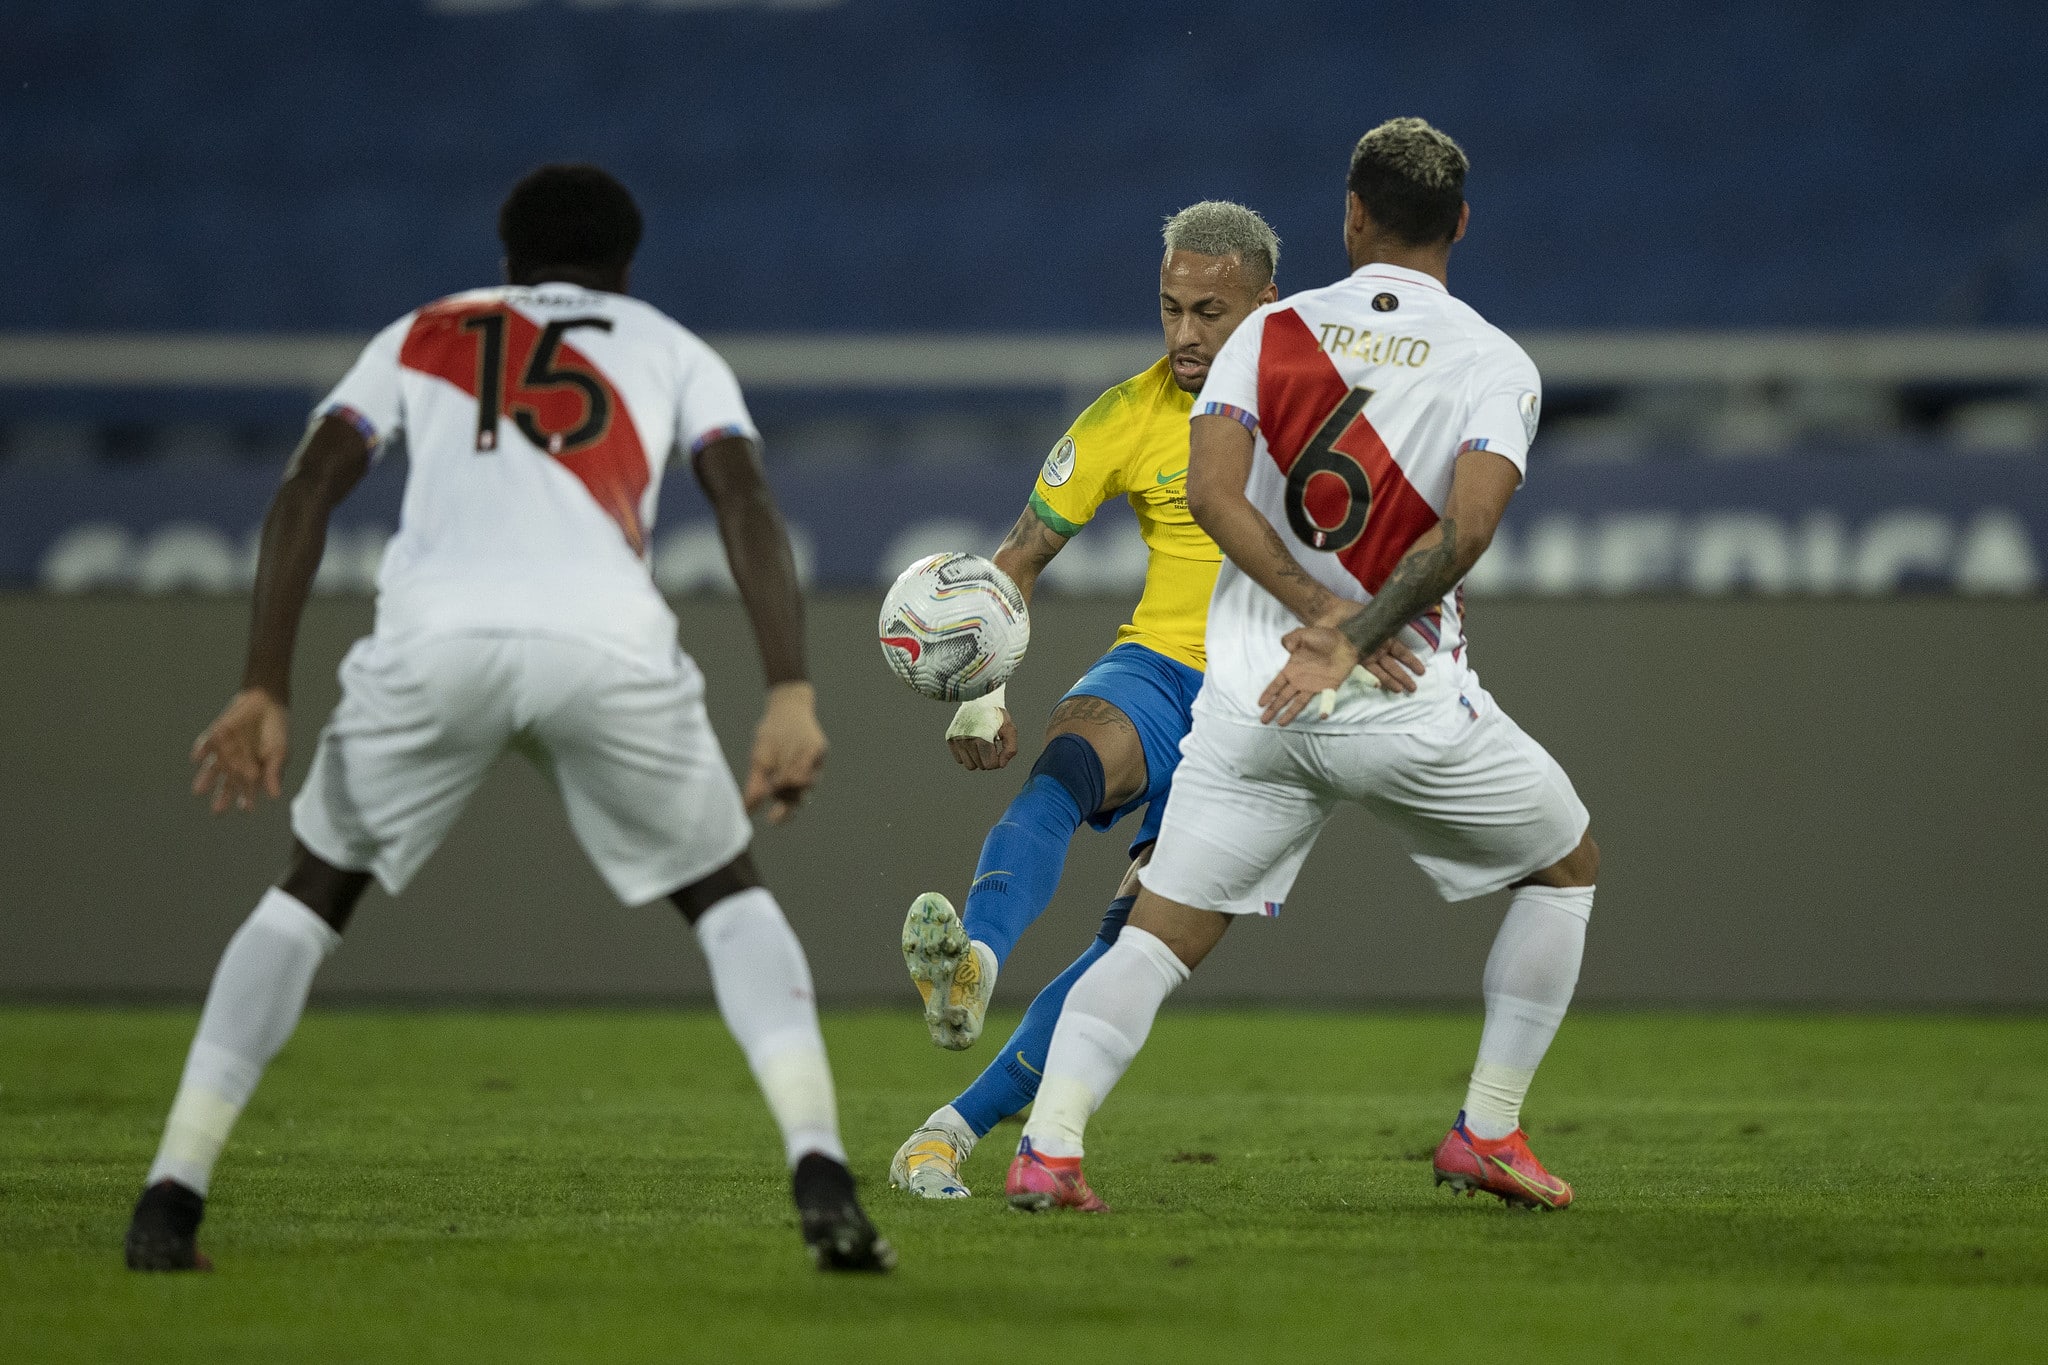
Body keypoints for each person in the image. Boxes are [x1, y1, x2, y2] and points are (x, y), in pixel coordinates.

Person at [124, 164, 892, 1273]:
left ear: (506, 262)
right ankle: (818, 1164)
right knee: (725, 898)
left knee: (308, 897)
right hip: (606, 647)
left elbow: (305, 488)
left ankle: (172, 1193)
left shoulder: (419, 334)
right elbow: (745, 501)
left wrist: (263, 684)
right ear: (625, 268)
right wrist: (788, 690)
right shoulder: (670, 345)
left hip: (434, 646)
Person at [1006, 118, 1599, 1214]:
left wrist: (1308, 612)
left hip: (1250, 707)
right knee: (1564, 867)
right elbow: (1467, 531)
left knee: (1158, 939)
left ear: (1350, 217)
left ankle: (1048, 1149)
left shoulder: (1268, 335)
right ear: (1460, 224)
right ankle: (1488, 1127)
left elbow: (1213, 496)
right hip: (1403, 704)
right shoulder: (1493, 361)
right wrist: (1354, 632)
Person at [889, 202, 1423, 1200]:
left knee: (1126, 947)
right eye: (1170, 309)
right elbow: (1015, 562)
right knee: (1064, 764)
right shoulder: (1125, 415)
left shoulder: (1333, 408)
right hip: (1157, 666)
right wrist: (978, 695)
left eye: (1209, 313)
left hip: (1261, 706)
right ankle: (973, 959)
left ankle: (948, 1131)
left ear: (1267, 303)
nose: (1184, 334)